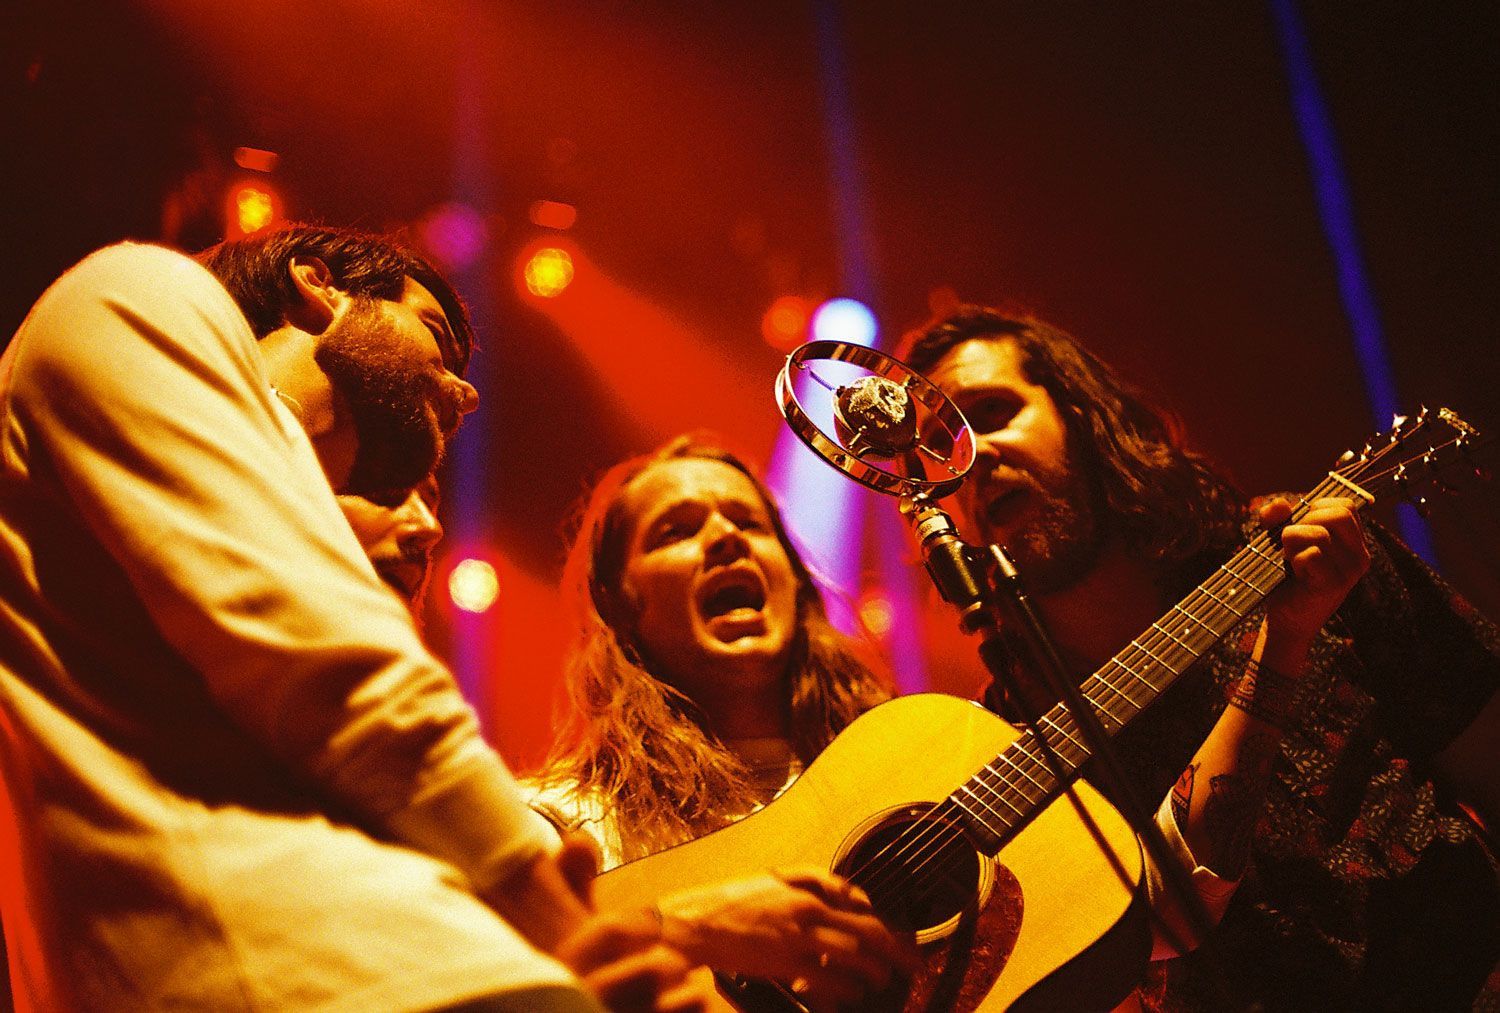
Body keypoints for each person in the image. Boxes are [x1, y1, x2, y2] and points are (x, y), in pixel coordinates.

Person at [0, 225, 703, 1012]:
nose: (465, 394)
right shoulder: (137, 294)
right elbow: (329, 665)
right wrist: (555, 922)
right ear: (315, 284)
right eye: (433, 336)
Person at [897, 304, 1500, 1010]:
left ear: (1081, 415)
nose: (971, 459)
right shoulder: (1001, 736)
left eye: (992, 413)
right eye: (938, 451)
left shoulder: (1297, 553)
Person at [337, 450, 916, 1009]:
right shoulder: (560, 824)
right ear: (619, 603)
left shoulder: (910, 767)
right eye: (676, 531)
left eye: (749, 522)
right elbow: (454, 978)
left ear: (796, 579)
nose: (725, 537)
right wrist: (684, 928)